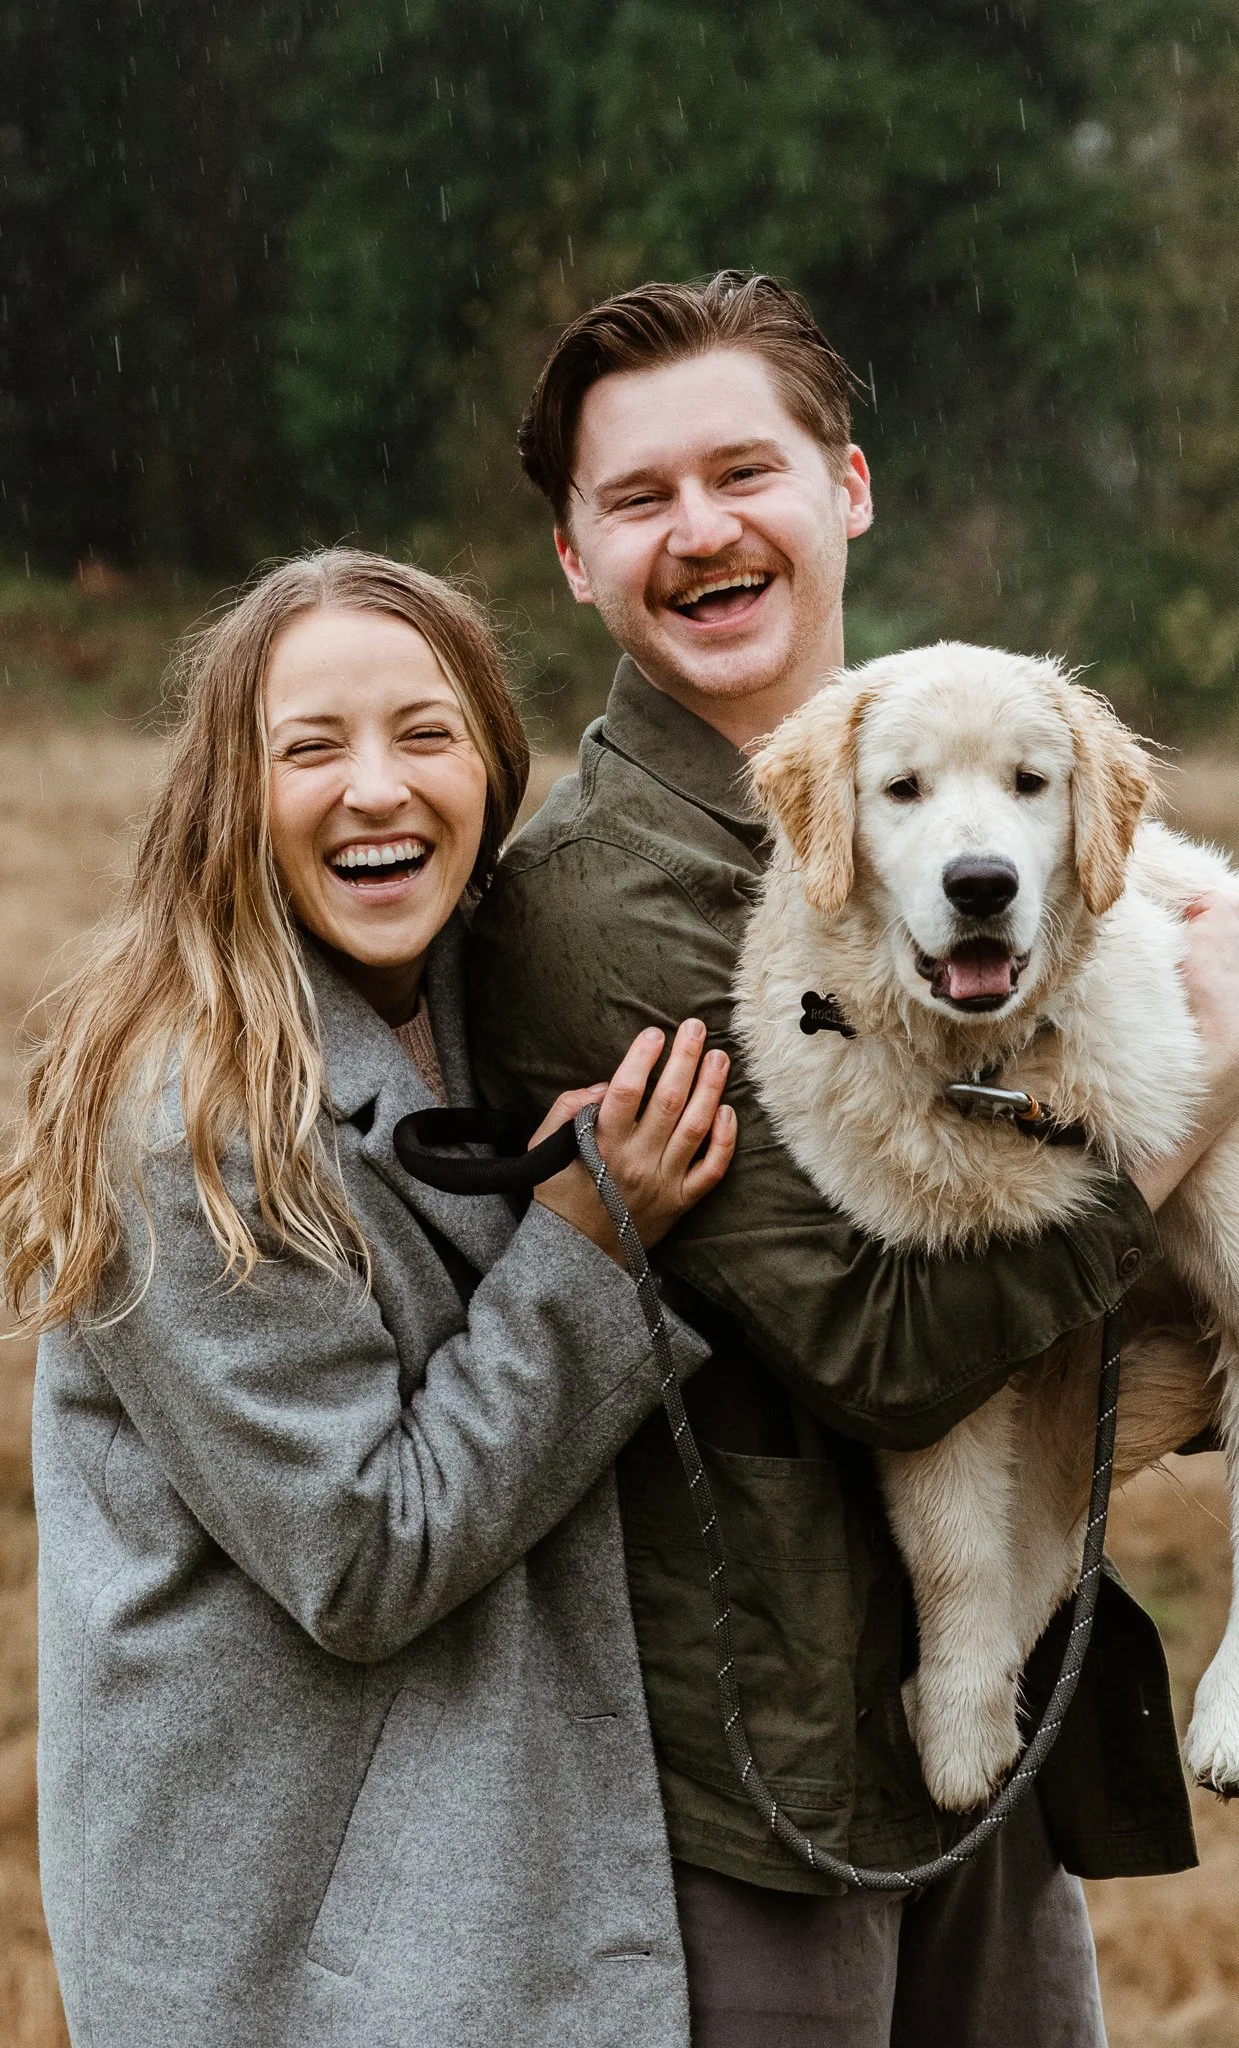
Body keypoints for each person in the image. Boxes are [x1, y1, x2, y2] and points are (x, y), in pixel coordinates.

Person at [467, 273, 1239, 2047]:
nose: (702, 532)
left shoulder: (989, 785)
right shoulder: (595, 912)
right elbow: (881, 1351)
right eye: (638, 499)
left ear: (847, 487)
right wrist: (1195, 1127)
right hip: (775, 1768)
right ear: (573, 560)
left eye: (743, 471)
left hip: (993, 1700)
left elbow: (1089, 1249)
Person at [0, 549, 739, 2048]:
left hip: (444, 1871)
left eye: (424, 733)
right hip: (298, 1935)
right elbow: (363, 1553)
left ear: (493, 766)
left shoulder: (484, 1001)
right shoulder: (191, 1121)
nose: (377, 790)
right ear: (229, 796)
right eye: (311, 748)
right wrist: (591, 1245)